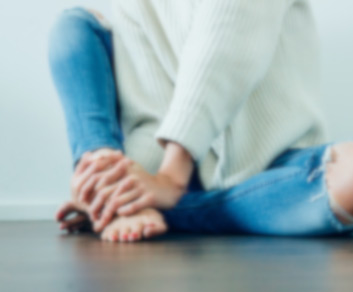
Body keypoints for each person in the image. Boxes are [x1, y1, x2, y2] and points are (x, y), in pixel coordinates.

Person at [48, 1, 353, 243]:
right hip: (182, 167)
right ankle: (102, 182)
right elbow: (152, 110)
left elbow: (223, 49)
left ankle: (175, 211)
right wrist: (123, 188)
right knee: (74, 25)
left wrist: (170, 180)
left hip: (274, 167)